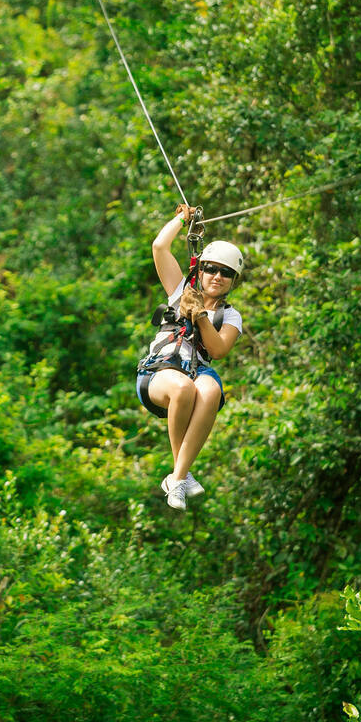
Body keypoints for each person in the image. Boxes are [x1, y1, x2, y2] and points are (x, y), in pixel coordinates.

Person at [135, 204, 244, 510]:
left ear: (233, 281)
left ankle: (177, 477)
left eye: (226, 273)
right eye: (211, 268)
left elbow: (219, 350)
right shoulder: (180, 289)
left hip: (200, 372)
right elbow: (159, 247)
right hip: (161, 371)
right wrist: (182, 220)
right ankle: (180, 474)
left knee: (211, 391)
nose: (217, 276)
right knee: (182, 388)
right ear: (201, 269)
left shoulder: (230, 315)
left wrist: (200, 316)